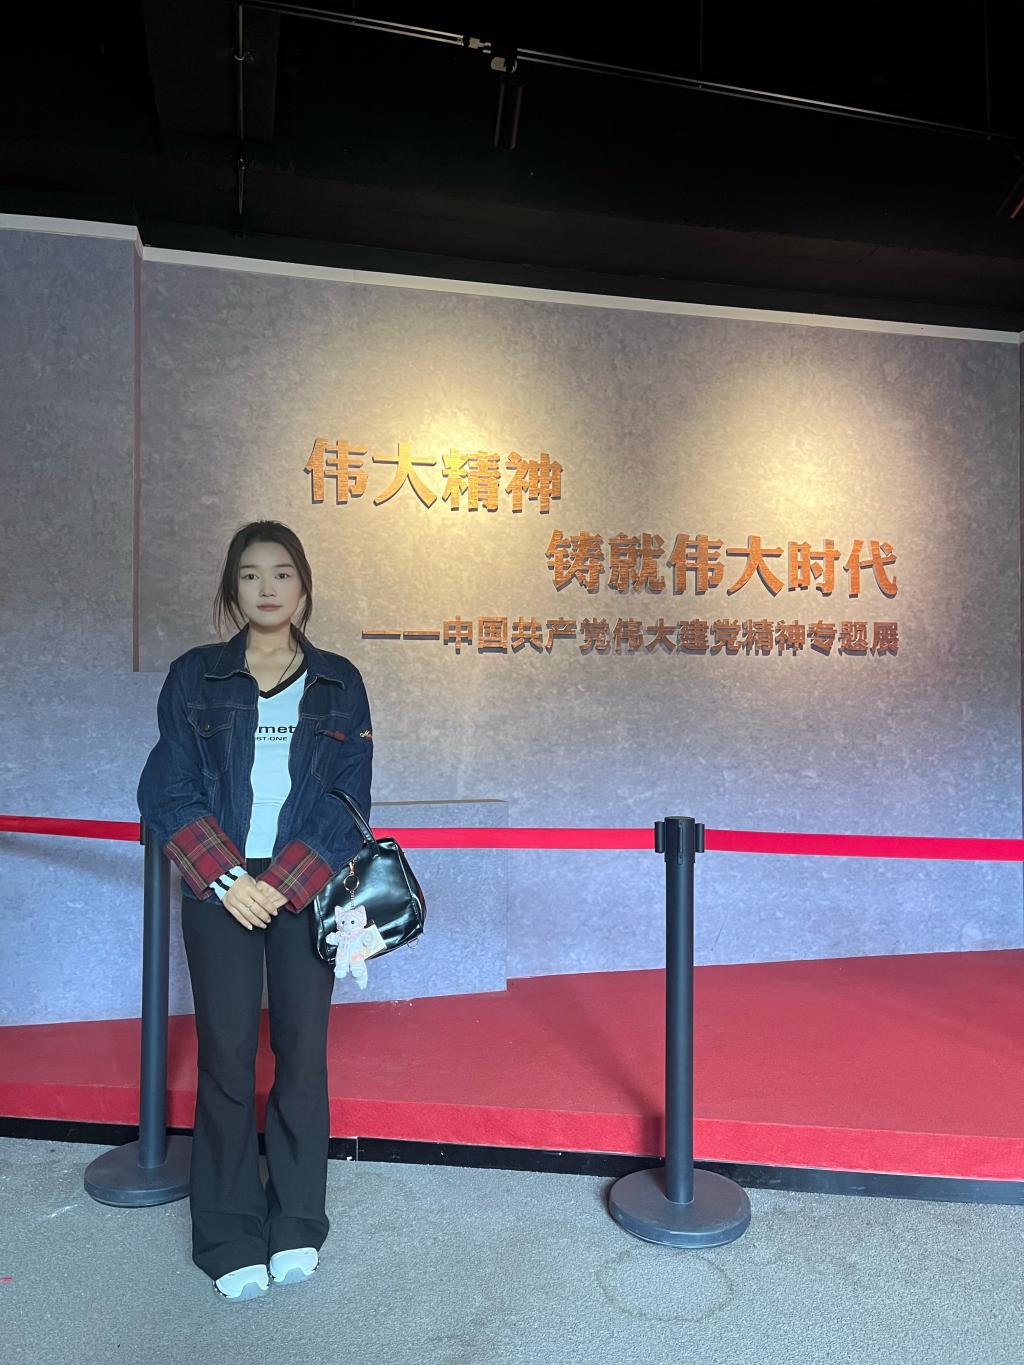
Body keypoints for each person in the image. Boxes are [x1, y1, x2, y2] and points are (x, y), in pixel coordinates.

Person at [136, 520, 373, 1301]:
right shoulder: (195, 676)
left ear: (303, 585)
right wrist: (229, 878)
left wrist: (286, 880)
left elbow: (349, 799)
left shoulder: (339, 681)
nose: (267, 588)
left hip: (304, 884)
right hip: (221, 886)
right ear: (231, 588)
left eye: (281, 573)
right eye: (249, 574)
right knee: (227, 1057)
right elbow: (166, 788)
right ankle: (228, 1228)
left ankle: (298, 1217)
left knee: (302, 1055)